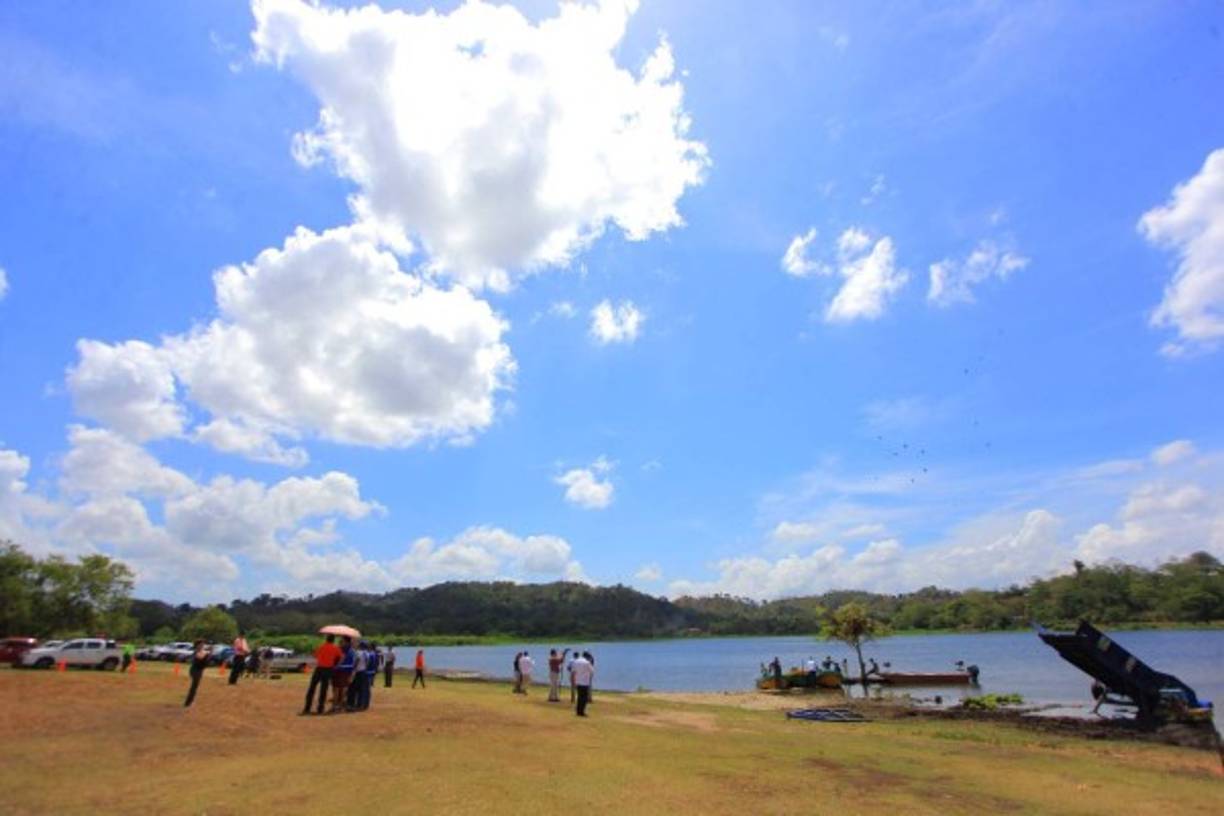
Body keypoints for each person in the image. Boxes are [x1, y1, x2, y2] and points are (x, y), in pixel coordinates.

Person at [302, 634, 341, 715]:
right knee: (323, 689)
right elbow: (340, 657)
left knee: (312, 688)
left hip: (319, 668)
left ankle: (307, 708)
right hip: (329, 669)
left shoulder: (321, 646)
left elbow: (315, 655)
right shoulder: (336, 648)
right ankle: (320, 708)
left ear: (326, 639)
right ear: (333, 640)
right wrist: (334, 664)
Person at [330, 637, 355, 714]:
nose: (340, 642)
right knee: (344, 688)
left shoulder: (342, 650)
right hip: (347, 671)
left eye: (342, 641)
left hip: (340, 671)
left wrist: (335, 666)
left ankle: (335, 706)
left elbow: (341, 659)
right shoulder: (352, 650)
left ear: (346, 642)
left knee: (336, 688)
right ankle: (340, 705)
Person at [184, 640, 210, 708]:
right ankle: (188, 703)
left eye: (203, 644)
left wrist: (208, 652)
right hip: (195, 671)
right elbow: (200, 657)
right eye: (201, 644)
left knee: (195, 687)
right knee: (194, 687)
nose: (202, 646)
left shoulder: (202, 651)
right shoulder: (196, 652)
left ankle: (190, 701)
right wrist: (207, 653)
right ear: (197, 645)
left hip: (199, 670)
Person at [571, 651, 594, 717]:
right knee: (584, 698)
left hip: (578, 681)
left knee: (579, 697)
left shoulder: (576, 661)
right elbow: (592, 671)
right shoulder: (587, 663)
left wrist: (573, 681)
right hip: (585, 682)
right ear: (587, 656)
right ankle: (582, 711)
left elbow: (573, 672)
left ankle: (578, 711)